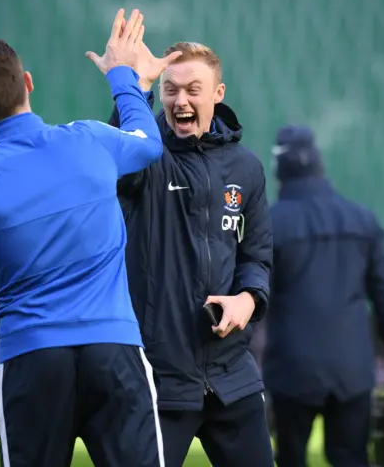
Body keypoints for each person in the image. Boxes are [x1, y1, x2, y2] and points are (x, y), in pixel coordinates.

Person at [0, 9, 178, 467]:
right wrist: (125, 78)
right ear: (27, 81)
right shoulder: (90, 140)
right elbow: (147, 141)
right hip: (115, 350)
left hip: (31, 361)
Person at [110, 42, 274, 467]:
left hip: (233, 376)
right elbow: (117, 160)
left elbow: (256, 256)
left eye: (193, 90)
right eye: (170, 90)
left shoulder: (246, 168)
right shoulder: (149, 158)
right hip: (160, 380)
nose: (180, 100)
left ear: (218, 94)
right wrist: (134, 87)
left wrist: (248, 299)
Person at [264, 125, 384, 467]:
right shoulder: (362, 219)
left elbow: (255, 295)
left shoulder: (270, 224)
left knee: (289, 458)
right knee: (349, 457)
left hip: (291, 369)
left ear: (279, 168)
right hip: (352, 369)